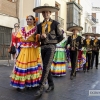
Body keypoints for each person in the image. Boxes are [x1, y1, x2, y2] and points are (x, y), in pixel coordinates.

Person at [33, 3, 63, 97]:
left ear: (50, 13)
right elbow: (35, 37)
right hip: (43, 47)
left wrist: (52, 41)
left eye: (47, 12)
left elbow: (61, 36)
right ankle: (51, 85)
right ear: (42, 14)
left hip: (51, 47)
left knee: (45, 67)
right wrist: (40, 36)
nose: (46, 14)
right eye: (44, 12)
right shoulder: (39, 25)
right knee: (47, 67)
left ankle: (40, 88)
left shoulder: (55, 23)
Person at [10, 15, 42, 90]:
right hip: (24, 49)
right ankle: (20, 83)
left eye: (30, 19)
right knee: (22, 64)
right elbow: (21, 38)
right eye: (27, 19)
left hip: (32, 49)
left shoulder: (36, 29)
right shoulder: (23, 29)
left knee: (31, 65)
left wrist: (31, 39)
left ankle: (31, 83)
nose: (28, 20)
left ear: (34, 20)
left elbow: (36, 39)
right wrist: (28, 39)